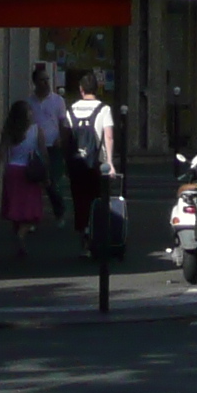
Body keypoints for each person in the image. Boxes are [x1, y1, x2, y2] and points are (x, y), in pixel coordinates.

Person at [66, 70, 115, 255]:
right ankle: (96, 234)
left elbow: (66, 136)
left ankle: (83, 235)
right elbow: (108, 136)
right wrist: (110, 162)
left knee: (79, 199)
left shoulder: (71, 109)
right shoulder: (104, 109)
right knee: (98, 199)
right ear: (97, 88)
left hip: (76, 163)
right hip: (97, 163)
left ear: (81, 89)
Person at [0, 99, 48, 260]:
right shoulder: (36, 130)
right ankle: (21, 234)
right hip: (28, 172)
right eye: (29, 111)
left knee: (15, 209)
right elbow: (44, 153)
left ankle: (19, 237)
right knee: (32, 210)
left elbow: (0, 153)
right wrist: (47, 173)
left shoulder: (9, 131)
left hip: (12, 171)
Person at [28, 67, 73, 227]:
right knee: (34, 183)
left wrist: (61, 138)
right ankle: (32, 217)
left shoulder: (57, 101)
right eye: (42, 80)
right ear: (35, 82)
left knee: (52, 181)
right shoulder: (30, 102)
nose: (46, 83)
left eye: (47, 79)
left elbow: (63, 122)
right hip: (35, 147)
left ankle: (59, 212)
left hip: (53, 147)